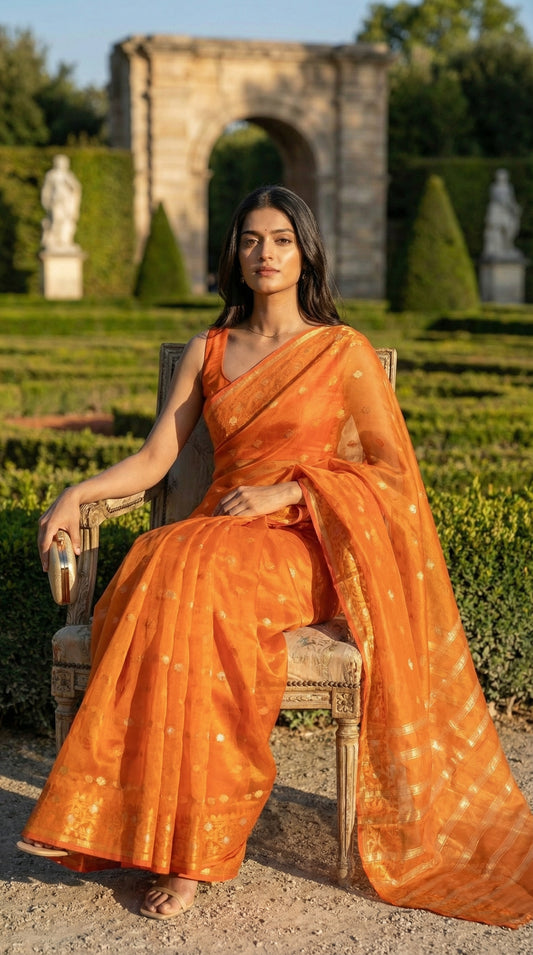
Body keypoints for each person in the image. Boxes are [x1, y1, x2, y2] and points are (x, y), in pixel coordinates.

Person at [19, 187, 532, 928]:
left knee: (181, 565)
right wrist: (76, 490)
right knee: (165, 559)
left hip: (298, 544)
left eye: (282, 240)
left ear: (305, 252)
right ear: (234, 252)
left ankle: (189, 852)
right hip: (216, 536)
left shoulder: (341, 350)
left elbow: (391, 476)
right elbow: (158, 455)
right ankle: (145, 828)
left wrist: (288, 490)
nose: (265, 254)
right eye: (252, 240)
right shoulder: (212, 348)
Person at [41, 154, 82, 251]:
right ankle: (56, 241)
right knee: (57, 220)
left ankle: (65, 241)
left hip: (67, 203)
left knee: (67, 221)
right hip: (57, 201)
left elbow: (76, 188)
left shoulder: (69, 175)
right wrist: (46, 201)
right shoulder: (51, 175)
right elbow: (46, 190)